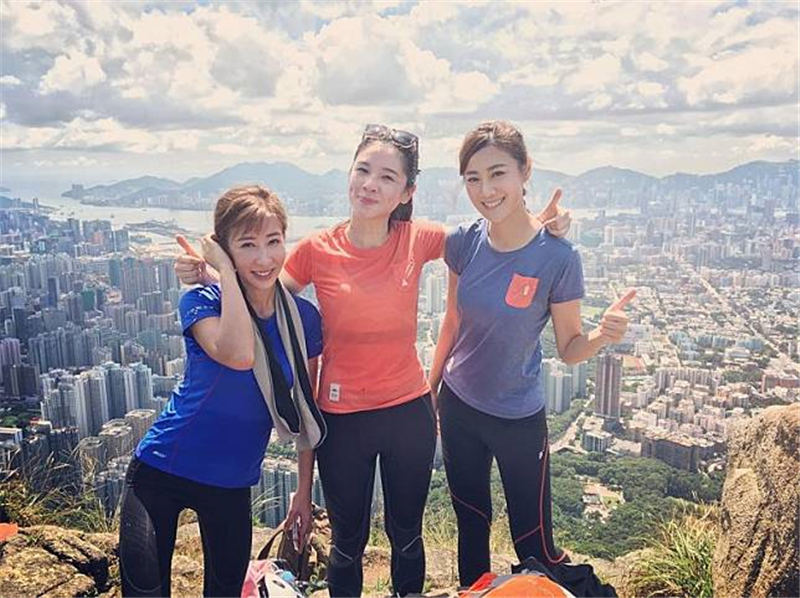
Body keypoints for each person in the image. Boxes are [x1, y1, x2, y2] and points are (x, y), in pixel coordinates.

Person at [174, 124, 569, 597]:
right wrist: (211, 272)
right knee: (347, 542)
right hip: (342, 421)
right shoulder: (318, 249)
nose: (370, 185)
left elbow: (491, 235)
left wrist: (541, 227)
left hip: (408, 412)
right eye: (363, 170)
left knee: (407, 537)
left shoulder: (418, 238)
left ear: (407, 191)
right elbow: (263, 292)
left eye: (387, 177)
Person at [429, 120, 635, 588]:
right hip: (459, 408)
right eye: (473, 178)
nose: (486, 190)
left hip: (518, 419)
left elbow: (570, 349)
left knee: (534, 544)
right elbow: (452, 320)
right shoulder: (463, 241)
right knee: (471, 526)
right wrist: (431, 388)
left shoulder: (558, 258)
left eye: (497, 173)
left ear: (525, 171)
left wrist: (603, 335)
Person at [119, 186, 323, 597]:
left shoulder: (303, 319)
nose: (264, 258)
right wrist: (225, 274)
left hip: (231, 483)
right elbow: (239, 354)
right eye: (247, 245)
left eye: (273, 241)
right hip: (162, 469)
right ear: (223, 250)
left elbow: (307, 407)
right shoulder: (202, 301)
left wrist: (303, 491)